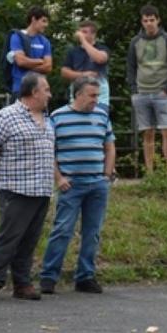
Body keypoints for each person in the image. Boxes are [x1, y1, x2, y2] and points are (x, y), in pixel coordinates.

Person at [0, 72, 55, 303]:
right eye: (47, 90)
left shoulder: (47, 118)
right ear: (33, 92)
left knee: (29, 239)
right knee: (9, 238)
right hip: (16, 188)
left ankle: (22, 284)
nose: (50, 94)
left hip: (41, 189)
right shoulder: (7, 116)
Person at [38, 76, 116, 295]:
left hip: (97, 184)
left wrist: (107, 175)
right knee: (62, 230)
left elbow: (109, 146)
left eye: (97, 95)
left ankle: (85, 276)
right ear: (78, 94)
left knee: (92, 232)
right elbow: (49, 150)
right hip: (71, 184)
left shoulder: (101, 115)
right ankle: (48, 276)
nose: (96, 100)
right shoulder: (58, 117)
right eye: (92, 95)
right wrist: (59, 178)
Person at [126, 5, 167, 174]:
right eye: (145, 20)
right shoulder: (135, 41)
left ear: (158, 20)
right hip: (141, 92)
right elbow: (130, 66)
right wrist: (134, 89)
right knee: (147, 133)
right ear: (142, 22)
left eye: (151, 20)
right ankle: (149, 173)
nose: (149, 23)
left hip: (162, 91)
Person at [61, 19, 110, 112]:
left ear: (93, 34)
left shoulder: (102, 48)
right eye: (80, 32)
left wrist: (83, 41)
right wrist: (83, 75)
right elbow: (64, 72)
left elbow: (100, 59)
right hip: (76, 98)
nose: (80, 34)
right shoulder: (73, 51)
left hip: (99, 99)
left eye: (84, 32)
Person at [7, 6, 54, 99]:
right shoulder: (17, 36)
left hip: (39, 90)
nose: (46, 25)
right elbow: (21, 61)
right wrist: (40, 61)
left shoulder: (45, 41)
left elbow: (48, 67)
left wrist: (27, 65)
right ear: (33, 19)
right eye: (43, 21)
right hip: (20, 89)